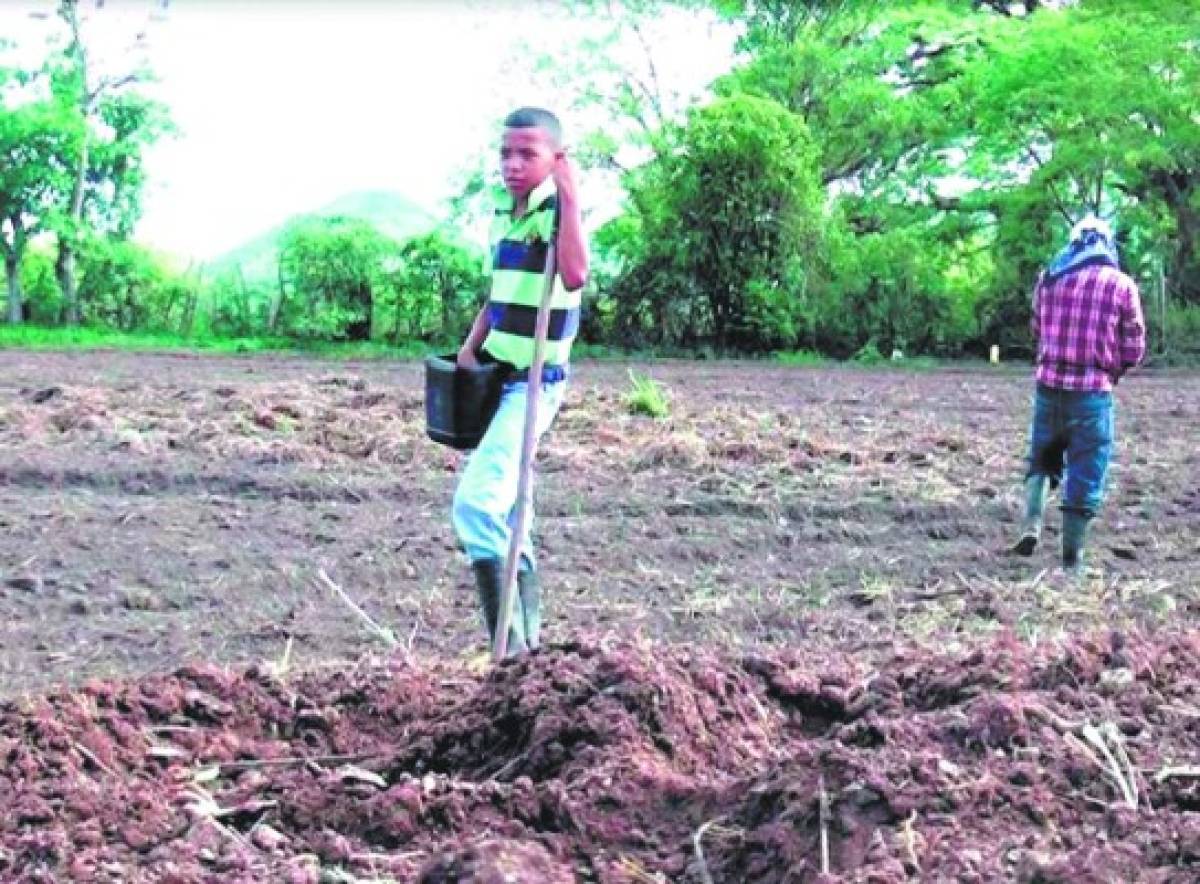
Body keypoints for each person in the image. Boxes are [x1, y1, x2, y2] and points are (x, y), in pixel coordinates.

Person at [451, 107, 589, 656]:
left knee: (478, 505)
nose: (512, 164)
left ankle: (508, 655)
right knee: (510, 513)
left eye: (527, 154)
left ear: (556, 159)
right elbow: (500, 293)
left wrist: (571, 196)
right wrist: (469, 350)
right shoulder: (504, 214)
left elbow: (575, 275)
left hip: (535, 382)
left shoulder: (557, 211)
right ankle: (528, 657)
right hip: (499, 377)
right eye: (506, 153)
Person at [1012, 214, 1146, 576]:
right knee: (1086, 469)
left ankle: (1032, 523)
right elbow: (1134, 347)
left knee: (1044, 455)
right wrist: (1112, 371)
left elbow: (1037, 329)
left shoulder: (1049, 278)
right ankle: (1071, 560)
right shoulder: (1121, 285)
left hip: (1049, 387)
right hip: (1091, 393)